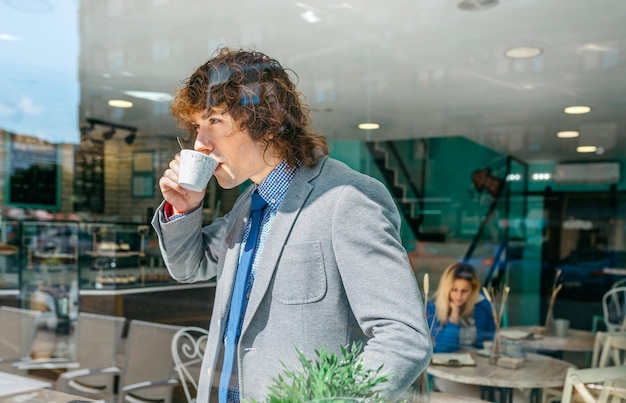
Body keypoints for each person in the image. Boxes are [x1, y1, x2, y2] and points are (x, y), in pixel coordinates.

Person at [151, 47, 432, 403]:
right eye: (197, 126)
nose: (200, 144)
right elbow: (189, 267)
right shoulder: (249, 204)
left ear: (265, 120)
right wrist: (185, 210)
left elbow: (404, 337)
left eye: (215, 121)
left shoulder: (347, 198)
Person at [426, 262, 495, 353]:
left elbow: (490, 340)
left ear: (473, 290)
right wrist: (454, 317)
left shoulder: (481, 304)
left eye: (465, 291)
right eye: (454, 290)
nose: (459, 296)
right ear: (446, 289)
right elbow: (442, 349)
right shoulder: (432, 308)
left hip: (476, 360)